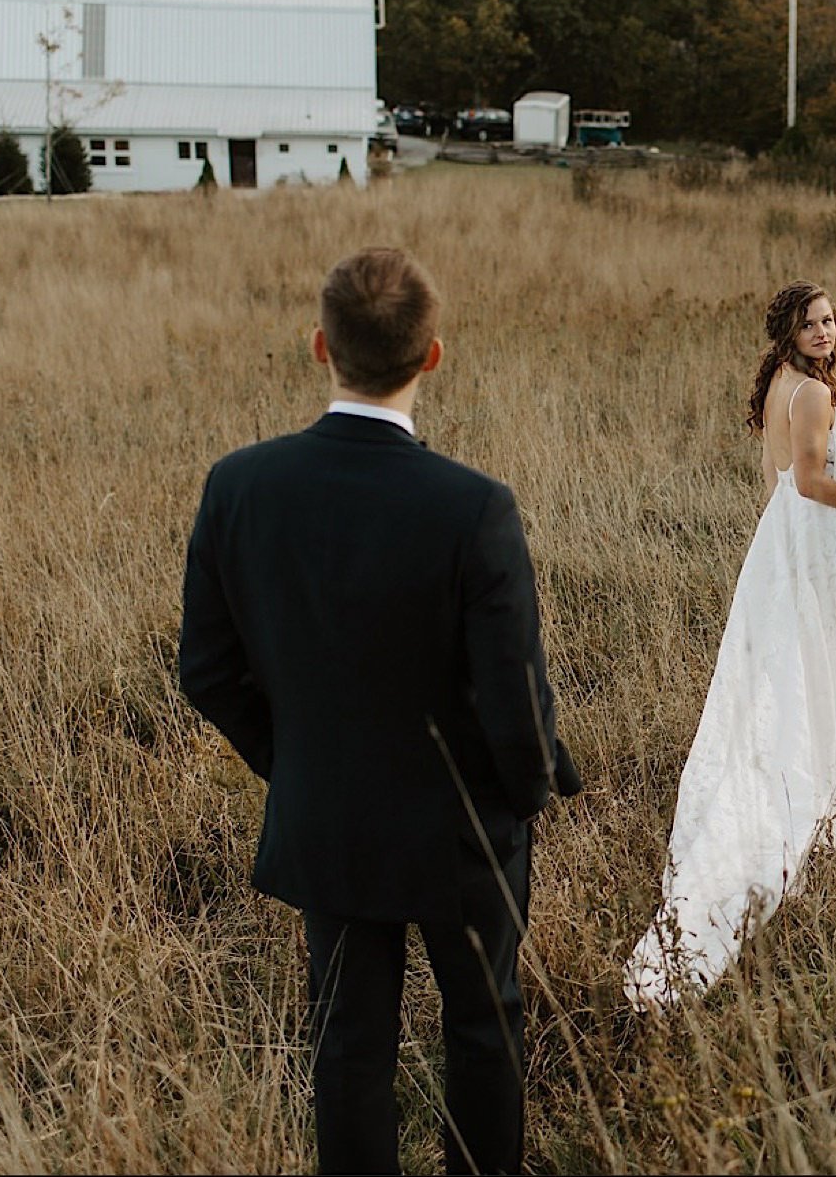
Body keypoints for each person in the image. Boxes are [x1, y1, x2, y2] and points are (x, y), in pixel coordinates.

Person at [178, 246, 579, 1175]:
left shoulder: (240, 486)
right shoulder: (474, 507)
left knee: (348, 1040)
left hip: (331, 818)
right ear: (433, 355)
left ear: (320, 346)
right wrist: (523, 797)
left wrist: (301, 760)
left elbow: (207, 668)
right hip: (465, 829)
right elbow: (515, 699)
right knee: (483, 1026)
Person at [623, 280, 836, 1008]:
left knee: (791, 669)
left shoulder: (782, 380)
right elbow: (809, 482)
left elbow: (777, 482)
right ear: (789, 330)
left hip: (784, 542)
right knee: (827, 670)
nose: (824, 331)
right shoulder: (808, 393)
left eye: (831, 320)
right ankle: (814, 796)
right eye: (811, 323)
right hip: (813, 537)